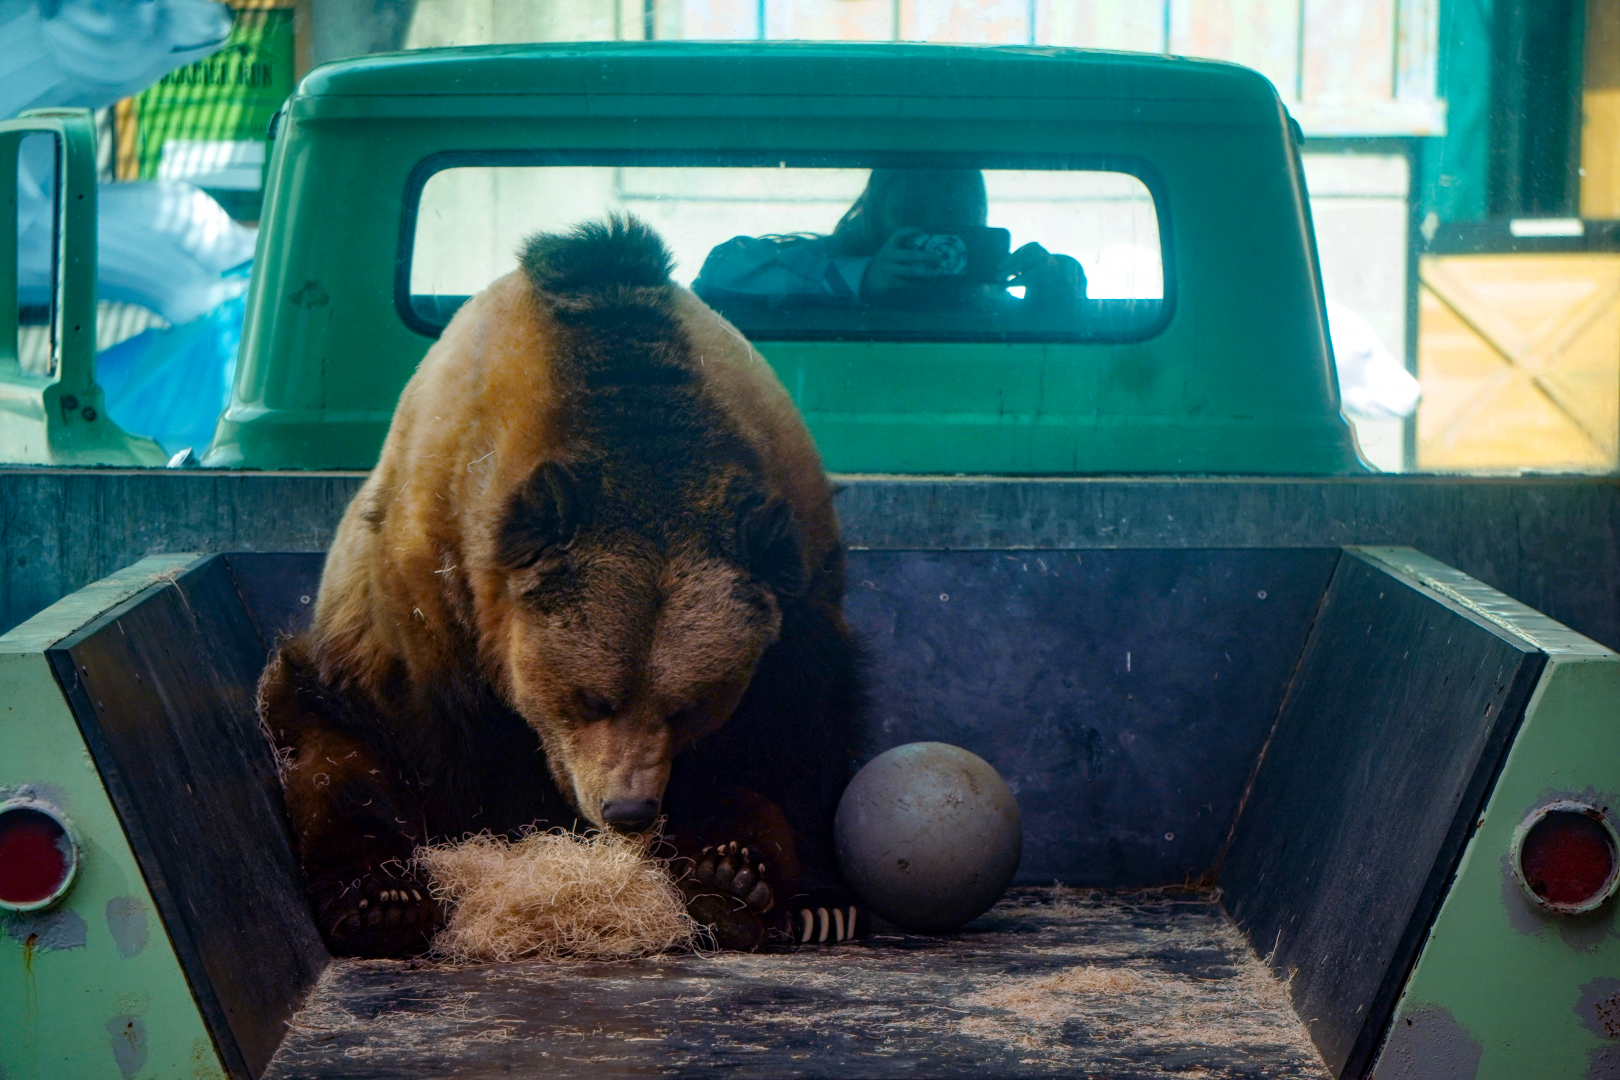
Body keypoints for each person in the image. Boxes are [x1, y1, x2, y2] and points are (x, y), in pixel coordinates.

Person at [693, 168, 1084, 311]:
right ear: (877, 211)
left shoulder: (984, 295)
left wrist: (1055, 283)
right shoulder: (826, 263)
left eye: (953, 214)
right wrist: (861, 277)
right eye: (912, 213)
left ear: (976, 218)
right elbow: (722, 268)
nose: (932, 233)